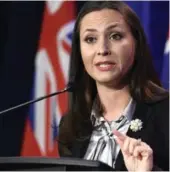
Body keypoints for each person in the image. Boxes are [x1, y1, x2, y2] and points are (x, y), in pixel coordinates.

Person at [58, 1, 169, 171]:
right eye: (90, 39)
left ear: (136, 43)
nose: (102, 49)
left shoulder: (165, 114)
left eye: (115, 36)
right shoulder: (73, 126)